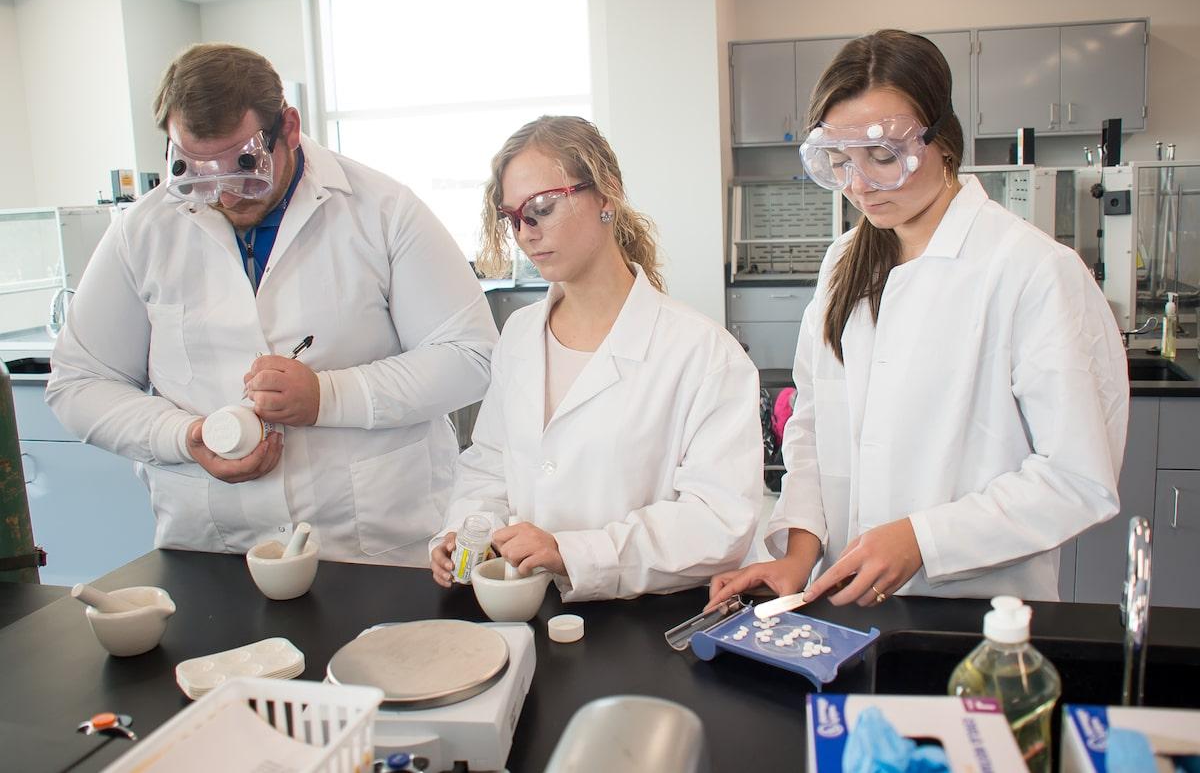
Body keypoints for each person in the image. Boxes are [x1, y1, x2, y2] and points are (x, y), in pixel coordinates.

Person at [708, 30, 1128, 610]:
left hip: (976, 613)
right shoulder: (843, 263)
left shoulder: (1031, 270)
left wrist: (922, 539)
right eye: (840, 161)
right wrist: (798, 556)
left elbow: (1078, 478)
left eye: (883, 156)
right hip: (841, 603)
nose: (859, 185)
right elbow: (811, 424)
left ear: (942, 137)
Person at [46, 43, 498, 565]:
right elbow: (78, 383)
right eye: (197, 171)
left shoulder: (384, 210)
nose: (224, 196)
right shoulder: (142, 232)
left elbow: (472, 356)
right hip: (213, 552)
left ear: (288, 127)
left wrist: (328, 396)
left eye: (244, 167)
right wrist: (183, 436)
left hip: (374, 551)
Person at [429, 116, 762, 601]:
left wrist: (575, 553)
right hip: (533, 607)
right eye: (513, 217)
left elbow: (720, 522)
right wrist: (466, 529)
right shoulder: (521, 335)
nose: (526, 233)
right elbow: (491, 464)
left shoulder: (701, 351)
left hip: (650, 622)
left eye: (542, 207)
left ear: (606, 195)